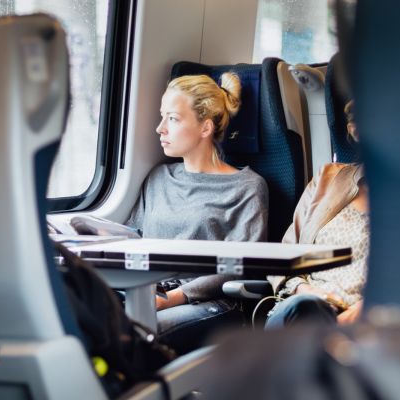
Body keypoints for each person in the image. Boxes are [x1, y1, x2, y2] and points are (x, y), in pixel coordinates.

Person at [126, 73, 269, 353]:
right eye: (162, 116)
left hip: (210, 301)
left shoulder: (247, 187)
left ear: (205, 128)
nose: (159, 128)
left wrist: (175, 297)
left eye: (173, 119)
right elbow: (134, 236)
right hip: (149, 291)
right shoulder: (159, 177)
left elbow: (244, 264)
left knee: (135, 335)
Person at [265, 100, 369, 329]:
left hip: (367, 325)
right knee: (305, 308)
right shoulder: (327, 178)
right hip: (300, 309)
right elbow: (284, 257)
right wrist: (304, 290)